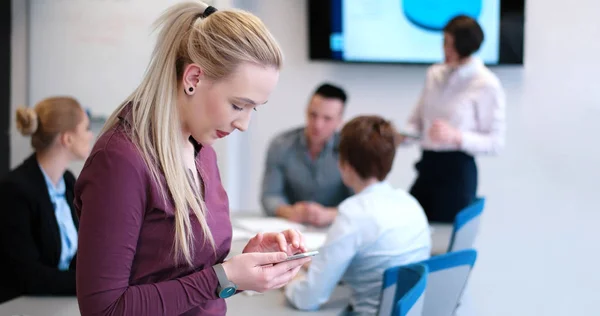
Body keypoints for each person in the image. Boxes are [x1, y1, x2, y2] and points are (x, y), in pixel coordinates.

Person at [74, 3, 310, 316]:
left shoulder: (201, 151)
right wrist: (224, 276)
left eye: (255, 108)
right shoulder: (121, 162)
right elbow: (104, 308)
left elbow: (184, 277)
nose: (244, 124)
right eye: (239, 105)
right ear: (194, 78)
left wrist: (243, 267)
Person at [285, 116, 431, 315]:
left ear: (344, 164)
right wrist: (317, 265)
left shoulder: (353, 214)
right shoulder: (410, 204)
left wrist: (290, 280)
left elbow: (308, 298)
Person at [397, 15, 506, 223]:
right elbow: (417, 122)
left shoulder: (486, 83)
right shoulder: (434, 74)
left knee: (443, 238)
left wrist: (457, 137)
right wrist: (402, 136)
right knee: (409, 226)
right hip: (427, 166)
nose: (444, 49)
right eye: (444, 42)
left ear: (465, 46)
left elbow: (496, 142)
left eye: (450, 44)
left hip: (457, 173)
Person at [0, 96, 93, 303]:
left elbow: (79, 255)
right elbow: (29, 277)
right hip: (21, 306)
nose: (90, 135)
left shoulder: (68, 182)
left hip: (58, 303)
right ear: (67, 139)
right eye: (85, 128)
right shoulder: (15, 190)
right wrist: (91, 283)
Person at [261, 83, 352, 227]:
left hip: (336, 228)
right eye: (313, 115)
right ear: (306, 110)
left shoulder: (350, 150)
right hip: (291, 228)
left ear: (339, 121)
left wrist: (330, 214)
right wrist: (289, 212)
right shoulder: (281, 144)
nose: (318, 125)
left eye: (327, 118)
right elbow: (270, 196)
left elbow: (362, 202)